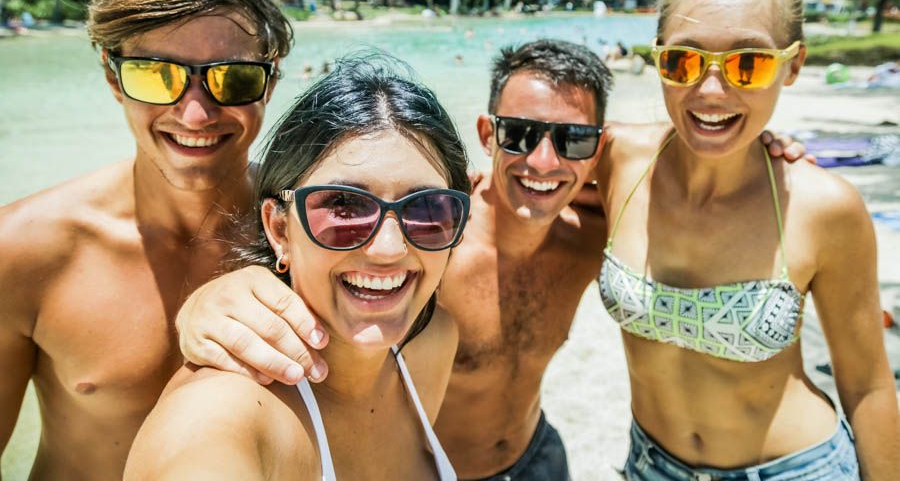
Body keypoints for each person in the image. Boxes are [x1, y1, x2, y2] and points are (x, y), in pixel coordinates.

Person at [175, 39, 808, 479]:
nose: (543, 161)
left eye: (573, 140)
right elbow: (318, 209)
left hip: (539, 457)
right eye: (520, 135)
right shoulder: (432, 239)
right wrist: (217, 293)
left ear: (599, 150)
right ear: (487, 135)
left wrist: (759, 143)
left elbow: (688, 158)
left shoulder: (596, 236)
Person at [0, 0, 293, 480]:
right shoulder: (23, 252)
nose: (196, 114)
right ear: (113, 75)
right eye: (156, 76)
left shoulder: (315, 238)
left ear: (270, 80)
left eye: (231, 79)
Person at [596, 0, 899, 480]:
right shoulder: (618, 159)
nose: (712, 90)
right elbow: (528, 191)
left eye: (749, 64)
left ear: (793, 66)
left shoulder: (822, 206)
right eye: (683, 60)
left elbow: (869, 387)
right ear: (657, 59)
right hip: (649, 466)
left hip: (796, 469)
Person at [125, 56, 468, 480]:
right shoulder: (220, 414)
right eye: (344, 205)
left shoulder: (431, 345)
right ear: (280, 229)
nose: (388, 248)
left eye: (426, 207)